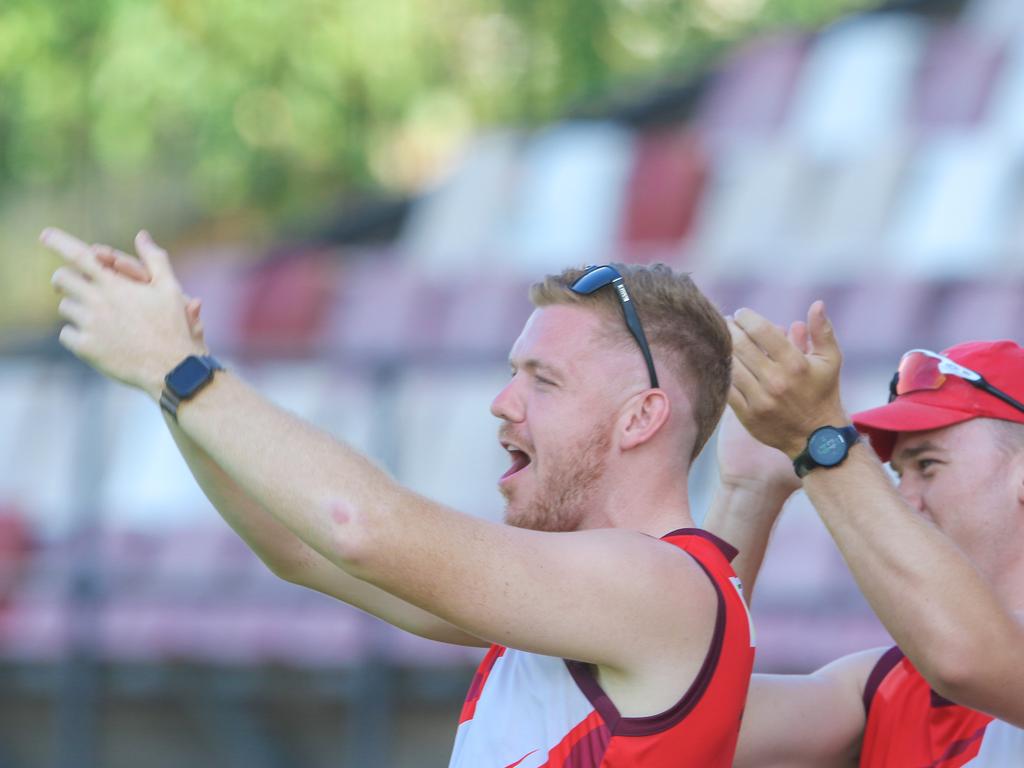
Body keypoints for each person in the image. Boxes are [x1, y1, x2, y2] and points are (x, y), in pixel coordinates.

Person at [42, 227, 754, 766]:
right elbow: (299, 547)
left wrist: (179, 367)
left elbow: (360, 526)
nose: (503, 403)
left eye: (544, 380)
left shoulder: (660, 585)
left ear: (641, 417)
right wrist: (175, 391)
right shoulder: (575, 603)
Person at [704, 302, 1024, 766]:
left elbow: (966, 659)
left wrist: (817, 442)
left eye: (927, 466)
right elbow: (680, 725)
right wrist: (748, 491)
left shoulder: (938, 669)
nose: (903, 498)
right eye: (897, 474)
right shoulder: (884, 685)